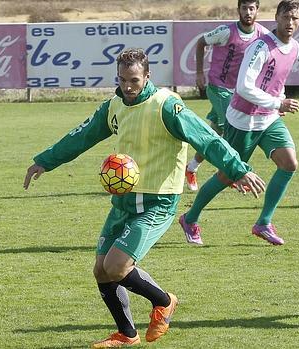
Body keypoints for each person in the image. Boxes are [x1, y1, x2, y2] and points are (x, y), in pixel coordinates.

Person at [23, 48, 266, 348]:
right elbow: (81, 136)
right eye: (123, 80)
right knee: (101, 271)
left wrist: (237, 169)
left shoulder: (166, 105)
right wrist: (45, 161)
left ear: (147, 77)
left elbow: (206, 137)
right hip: (124, 201)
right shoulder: (114, 106)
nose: (128, 86)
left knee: (117, 267)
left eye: (134, 80)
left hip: (157, 201)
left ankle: (164, 302)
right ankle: (127, 334)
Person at [179, 0, 299, 246]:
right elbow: (244, 87)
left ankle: (263, 223)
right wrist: (278, 103)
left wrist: (278, 101)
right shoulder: (261, 45)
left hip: (268, 119)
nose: (290, 23)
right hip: (244, 119)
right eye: (286, 17)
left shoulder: (295, 48)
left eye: (295, 18)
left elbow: (277, 82)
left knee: (289, 163)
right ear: (276, 17)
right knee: (227, 176)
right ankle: (190, 218)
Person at [186, 0, 270, 191]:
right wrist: (199, 73)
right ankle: (234, 173)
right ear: (238, 9)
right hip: (219, 88)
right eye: (244, 8)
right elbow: (201, 42)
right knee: (231, 128)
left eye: (251, 8)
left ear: (257, 10)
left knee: (215, 133)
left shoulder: (263, 35)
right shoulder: (226, 31)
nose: (248, 12)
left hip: (240, 92)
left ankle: (191, 167)